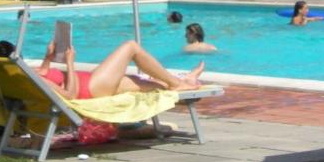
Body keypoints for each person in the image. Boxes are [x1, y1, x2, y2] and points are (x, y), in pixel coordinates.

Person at [36, 36, 203, 100]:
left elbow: (43, 73)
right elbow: (69, 95)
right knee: (131, 46)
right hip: (90, 88)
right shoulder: (30, 78)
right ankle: (177, 83)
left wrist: (48, 57)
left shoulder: (23, 73)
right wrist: (70, 63)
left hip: (90, 81)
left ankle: (183, 81)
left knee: (141, 83)